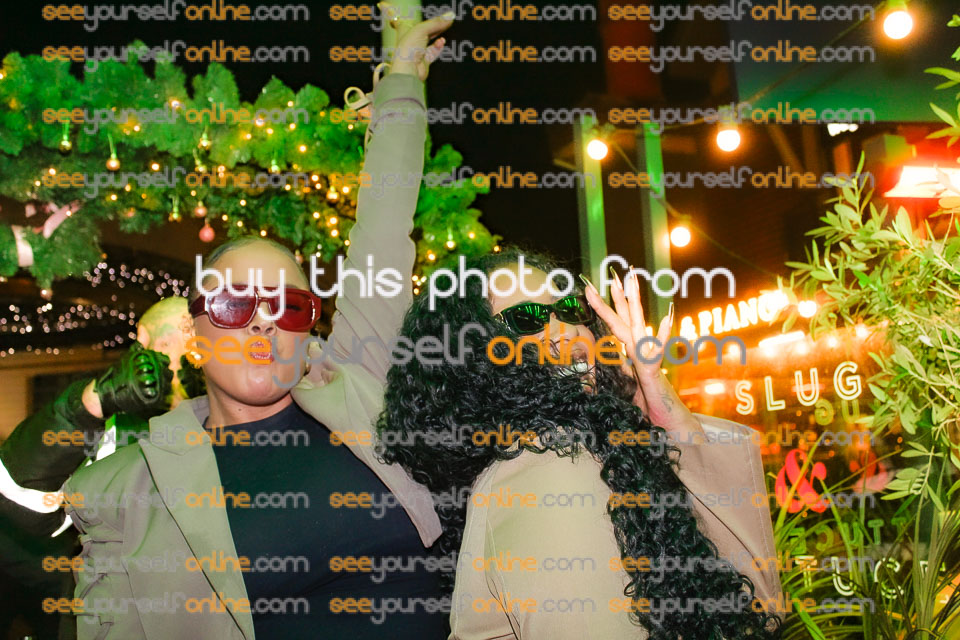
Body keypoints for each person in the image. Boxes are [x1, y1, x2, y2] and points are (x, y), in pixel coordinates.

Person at [61, 8, 455, 639]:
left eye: (288, 307)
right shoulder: (126, 489)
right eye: (234, 305)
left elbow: (382, 236)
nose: (263, 323)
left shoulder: (357, 387)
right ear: (195, 333)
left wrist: (403, 83)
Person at [376, 248, 784, 639]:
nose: (566, 331)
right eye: (527, 318)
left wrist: (655, 398)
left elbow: (755, 604)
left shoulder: (594, 455)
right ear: (470, 358)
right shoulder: (548, 478)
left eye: (570, 310)